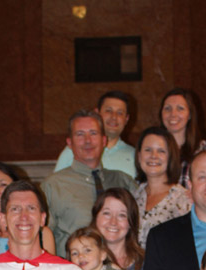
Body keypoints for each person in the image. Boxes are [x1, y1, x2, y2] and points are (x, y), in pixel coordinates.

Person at [42, 110, 138, 256]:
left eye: (93, 133)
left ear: (104, 140)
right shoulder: (52, 186)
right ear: (69, 142)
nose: (87, 140)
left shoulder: (124, 182)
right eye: (80, 134)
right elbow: (42, 237)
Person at [54, 91, 135, 177]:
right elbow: (58, 184)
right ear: (97, 113)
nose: (114, 117)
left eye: (120, 113)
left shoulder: (134, 156)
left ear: (126, 119)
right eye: (108, 111)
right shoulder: (73, 151)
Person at [134, 126, 191, 248]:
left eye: (161, 151)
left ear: (170, 157)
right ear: (139, 156)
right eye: (148, 150)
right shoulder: (133, 197)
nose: (154, 156)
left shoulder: (184, 200)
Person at [159, 87, 206, 186]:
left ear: (190, 115)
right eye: (167, 108)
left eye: (180, 108)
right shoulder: (153, 150)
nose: (173, 114)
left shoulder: (205, 149)